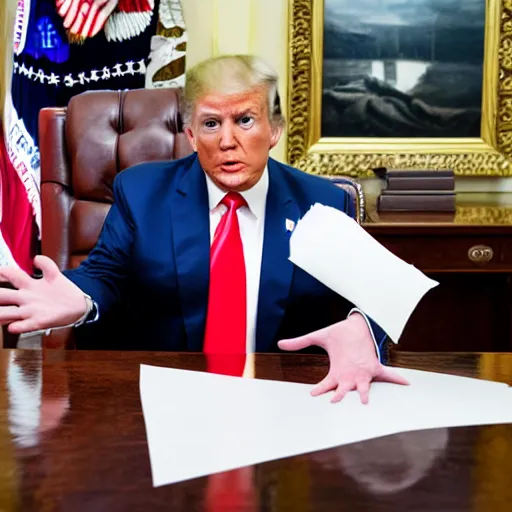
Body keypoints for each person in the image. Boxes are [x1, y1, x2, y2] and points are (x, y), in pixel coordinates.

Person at [0, 55, 407, 402]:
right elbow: (105, 272)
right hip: (166, 399)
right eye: (211, 124)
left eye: (245, 120)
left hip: (283, 400)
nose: (228, 141)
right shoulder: (143, 192)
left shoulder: (319, 201)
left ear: (275, 130)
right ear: (192, 135)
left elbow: (381, 289)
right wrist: (80, 297)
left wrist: (364, 328)